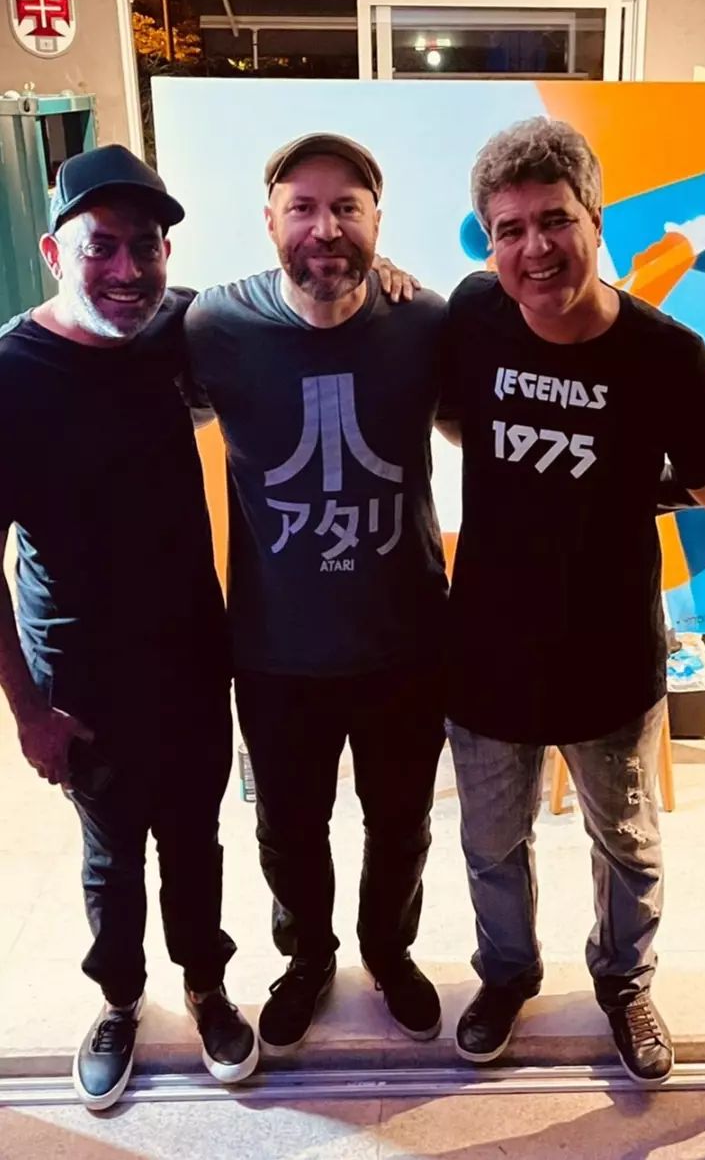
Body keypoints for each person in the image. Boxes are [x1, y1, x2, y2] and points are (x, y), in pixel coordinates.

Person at [436, 117, 705, 1084]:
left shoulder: (668, 355)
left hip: (611, 653)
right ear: (489, 240)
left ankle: (625, 981)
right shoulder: (473, 313)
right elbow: (453, 416)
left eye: (555, 219)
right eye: (509, 229)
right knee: (490, 843)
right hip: (486, 647)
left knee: (628, 844)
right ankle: (507, 974)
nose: (535, 248)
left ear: (596, 220)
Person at [0, 145, 257, 1111]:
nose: (126, 268)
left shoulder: (172, 329)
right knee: (112, 853)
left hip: (191, 653)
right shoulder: (10, 373)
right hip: (80, 676)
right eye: (100, 246)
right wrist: (28, 710)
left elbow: (284, 297)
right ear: (52, 251)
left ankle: (206, 984)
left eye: (145, 246)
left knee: (196, 837)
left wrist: (385, 273)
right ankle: (117, 999)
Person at [184, 134, 448, 1055]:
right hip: (275, 649)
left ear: (378, 221)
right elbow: (121, 362)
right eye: (303, 207)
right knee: (289, 827)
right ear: (269, 221)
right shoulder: (215, 325)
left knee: (401, 821)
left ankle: (388, 949)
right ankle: (307, 957)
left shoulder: (425, 321)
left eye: (347, 208)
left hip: (406, 640)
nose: (325, 228)